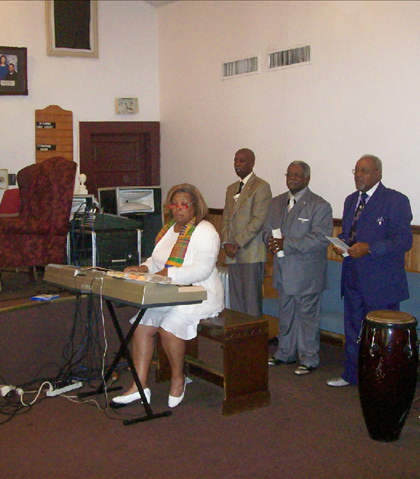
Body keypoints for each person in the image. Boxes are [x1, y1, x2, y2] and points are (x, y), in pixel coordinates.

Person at [111, 184, 224, 408]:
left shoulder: (206, 231)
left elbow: (201, 270)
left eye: (184, 204)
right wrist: (143, 268)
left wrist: (166, 274)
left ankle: (178, 377)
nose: (178, 209)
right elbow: (155, 260)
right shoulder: (169, 230)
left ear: (195, 207)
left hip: (201, 294)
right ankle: (138, 386)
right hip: (170, 291)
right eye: (175, 204)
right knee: (141, 326)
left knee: (169, 325)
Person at [327, 154, 413, 387]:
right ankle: (351, 375)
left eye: (364, 171)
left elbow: (404, 240)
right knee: (353, 328)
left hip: (381, 282)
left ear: (378, 173)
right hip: (352, 276)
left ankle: (379, 381)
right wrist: (342, 243)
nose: (358, 175)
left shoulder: (395, 200)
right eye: (356, 171)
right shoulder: (350, 200)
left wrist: (370, 249)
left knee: (381, 336)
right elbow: (351, 233)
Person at [262, 161, 333, 375]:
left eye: (298, 175)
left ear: (307, 178)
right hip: (283, 270)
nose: (292, 178)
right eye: (289, 174)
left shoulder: (320, 205)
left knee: (307, 317)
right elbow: (266, 231)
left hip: (307, 274)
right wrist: (270, 242)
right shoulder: (276, 203)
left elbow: (321, 239)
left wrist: (287, 243)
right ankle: (285, 353)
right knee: (286, 313)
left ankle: (309, 358)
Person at [221, 148, 272, 317]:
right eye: (235, 160)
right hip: (232, 252)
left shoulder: (261, 187)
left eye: (242, 161)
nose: (237, 164)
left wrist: (236, 243)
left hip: (251, 252)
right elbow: (226, 218)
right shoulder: (231, 189)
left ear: (252, 163)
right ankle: (238, 341)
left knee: (251, 302)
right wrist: (225, 244)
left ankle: (252, 341)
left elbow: (258, 220)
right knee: (235, 301)